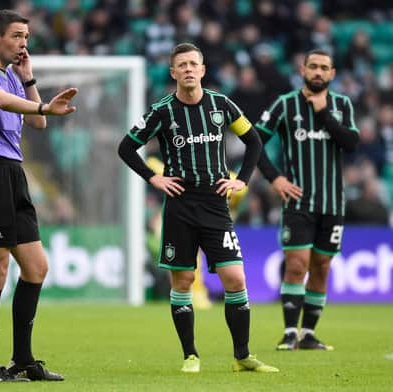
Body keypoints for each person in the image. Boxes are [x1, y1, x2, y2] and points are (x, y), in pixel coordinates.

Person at [118, 42, 278, 374]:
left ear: (202, 70)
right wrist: (153, 178)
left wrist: (243, 180)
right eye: (182, 65)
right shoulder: (162, 111)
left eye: (194, 63)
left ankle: (243, 356)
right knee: (184, 281)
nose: (189, 69)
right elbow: (126, 147)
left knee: (235, 279)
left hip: (216, 205)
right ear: (174, 72)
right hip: (180, 206)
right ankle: (191, 355)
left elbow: (254, 141)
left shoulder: (221, 104)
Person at [0, 9, 77, 383]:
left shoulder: (13, 77)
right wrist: (42, 105)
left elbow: (39, 123)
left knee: (36, 267)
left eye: (26, 37)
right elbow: (0, 103)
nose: (24, 43)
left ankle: (23, 359)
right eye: (17, 36)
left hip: (13, 171)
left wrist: (28, 79)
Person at [254, 49, 359, 351]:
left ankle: (309, 334)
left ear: (332, 74)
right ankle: (289, 332)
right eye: (313, 66)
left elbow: (351, 143)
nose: (318, 72)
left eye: (324, 68)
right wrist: (275, 178)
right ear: (303, 70)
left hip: (332, 203)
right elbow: (254, 141)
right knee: (297, 264)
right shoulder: (285, 104)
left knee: (322, 266)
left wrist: (324, 113)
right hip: (298, 201)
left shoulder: (342, 105)